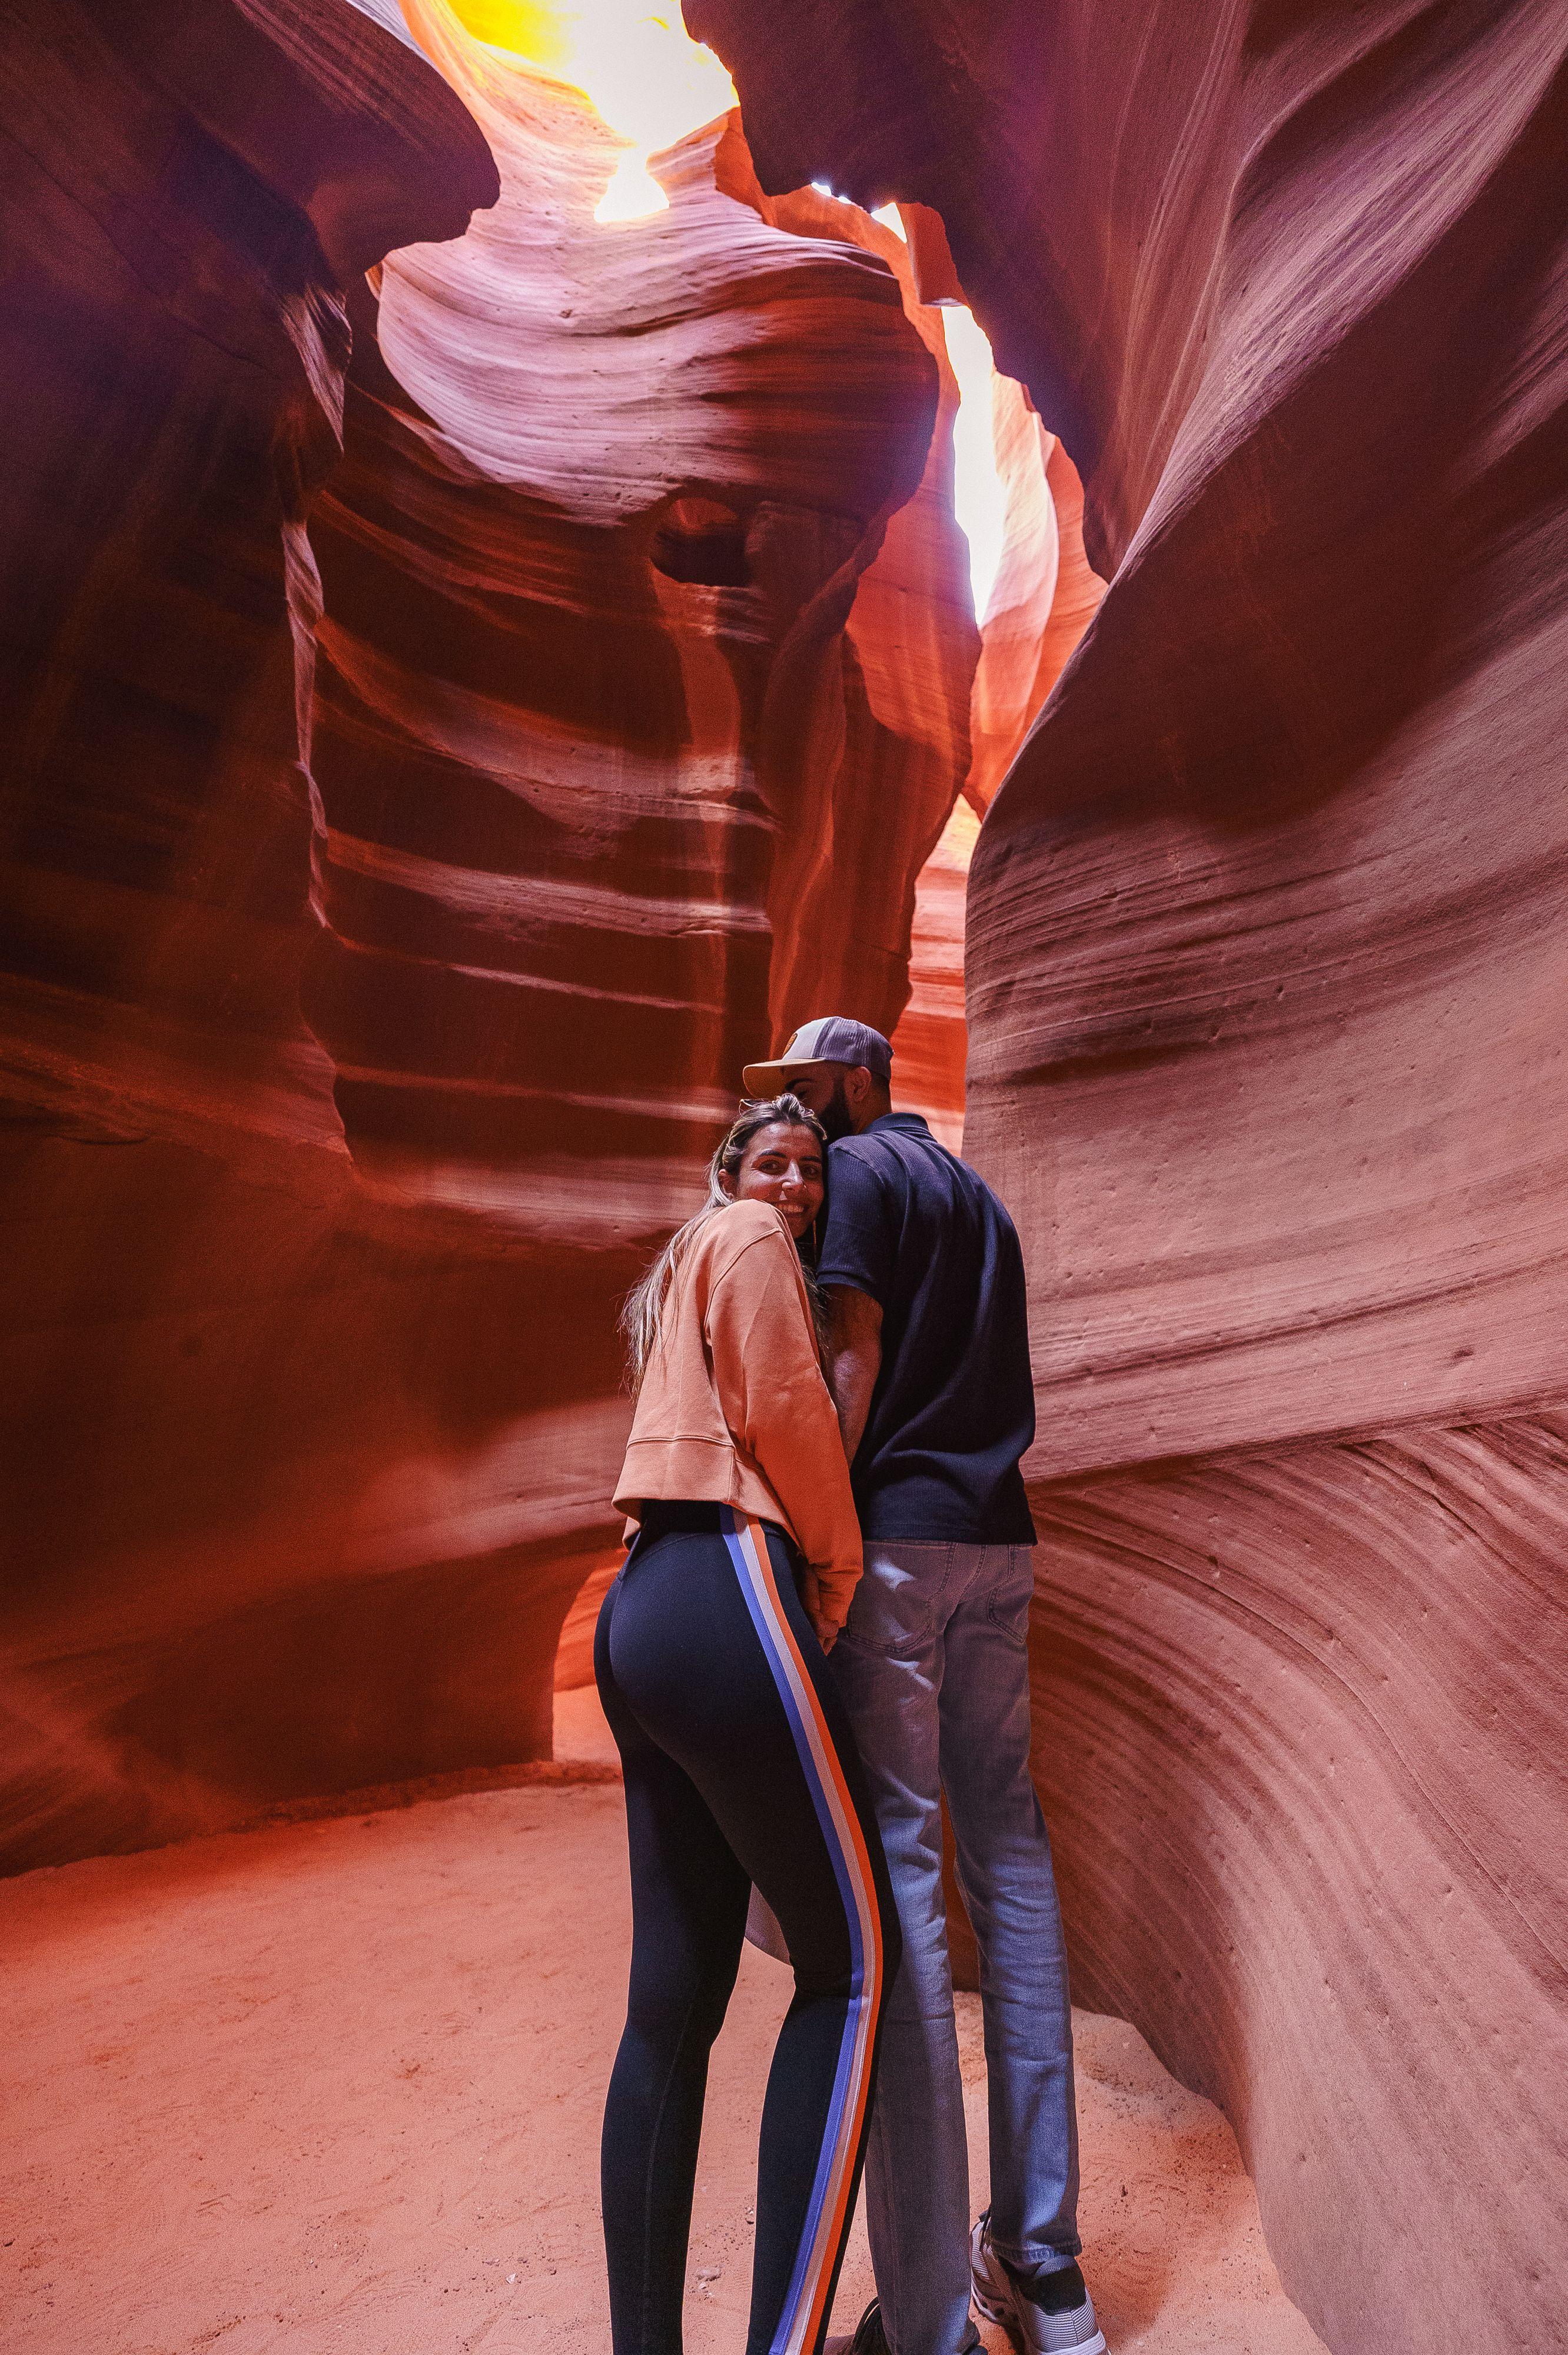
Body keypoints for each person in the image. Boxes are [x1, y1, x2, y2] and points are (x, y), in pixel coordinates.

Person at [740, 1021, 1104, 2355]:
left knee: (901, 1885)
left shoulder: (866, 1182)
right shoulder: (985, 1199)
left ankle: (935, 2321)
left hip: (892, 1546)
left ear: (857, 1079)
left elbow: (856, 1362)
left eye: (805, 1084)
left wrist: (809, 1536)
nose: (792, 1108)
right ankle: (1048, 2271)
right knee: (1012, 1865)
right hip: (1000, 1540)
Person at [597, 1093, 902, 2355]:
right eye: (774, 1161)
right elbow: (793, 1415)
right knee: (854, 1967)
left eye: (812, 1172)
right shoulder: (751, 1242)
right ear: (727, 1170)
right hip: (731, 1573)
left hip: (640, 1599)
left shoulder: (680, 1269)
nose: (797, 1188)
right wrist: (834, 1574)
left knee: (673, 2002)